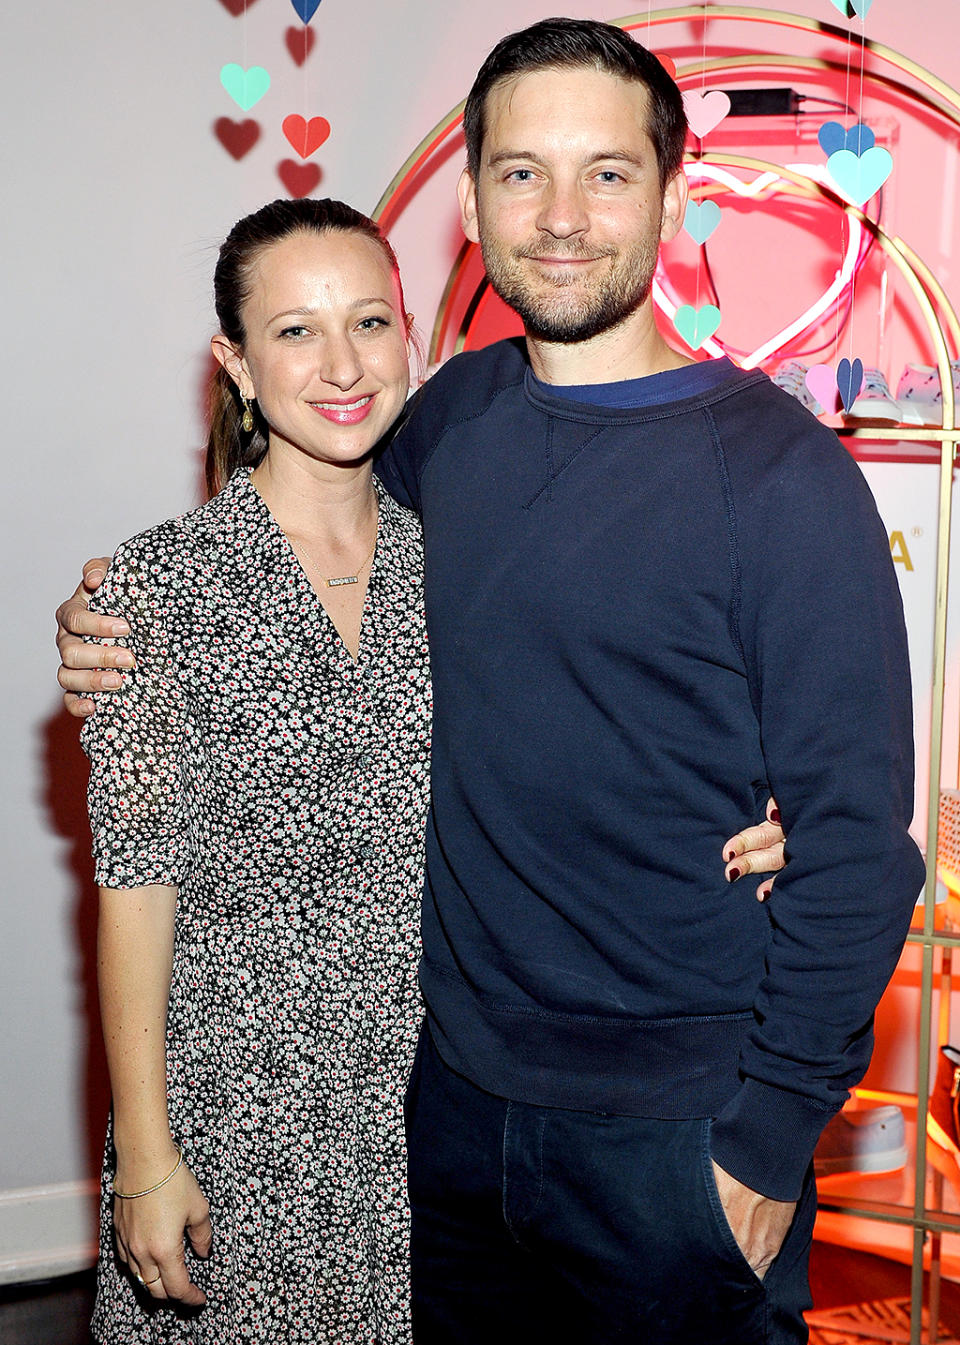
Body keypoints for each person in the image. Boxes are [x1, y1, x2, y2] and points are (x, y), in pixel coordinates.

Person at [53, 17, 901, 1344]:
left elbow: (861, 848)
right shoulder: (444, 425)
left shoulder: (787, 480)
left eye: (608, 174)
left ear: (676, 197)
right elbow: (289, 553)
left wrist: (764, 1143)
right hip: (441, 1111)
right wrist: (112, 623)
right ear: (470, 202)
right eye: (522, 173)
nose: (562, 216)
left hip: (675, 1130)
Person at [75, 197, 432, 1344]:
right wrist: (145, 1156)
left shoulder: (461, 566)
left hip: (430, 1116)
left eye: (369, 321)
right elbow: (134, 892)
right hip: (236, 1116)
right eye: (295, 331)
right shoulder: (155, 591)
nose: (341, 364)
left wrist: (748, 802)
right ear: (234, 360)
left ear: (409, 333)